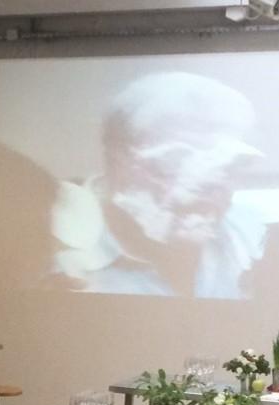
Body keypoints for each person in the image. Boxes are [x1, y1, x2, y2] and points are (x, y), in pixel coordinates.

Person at [46, 72, 266, 299]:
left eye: (228, 167)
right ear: (117, 162)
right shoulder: (47, 254)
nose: (211, 184)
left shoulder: (253, 237)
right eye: (176, 162)